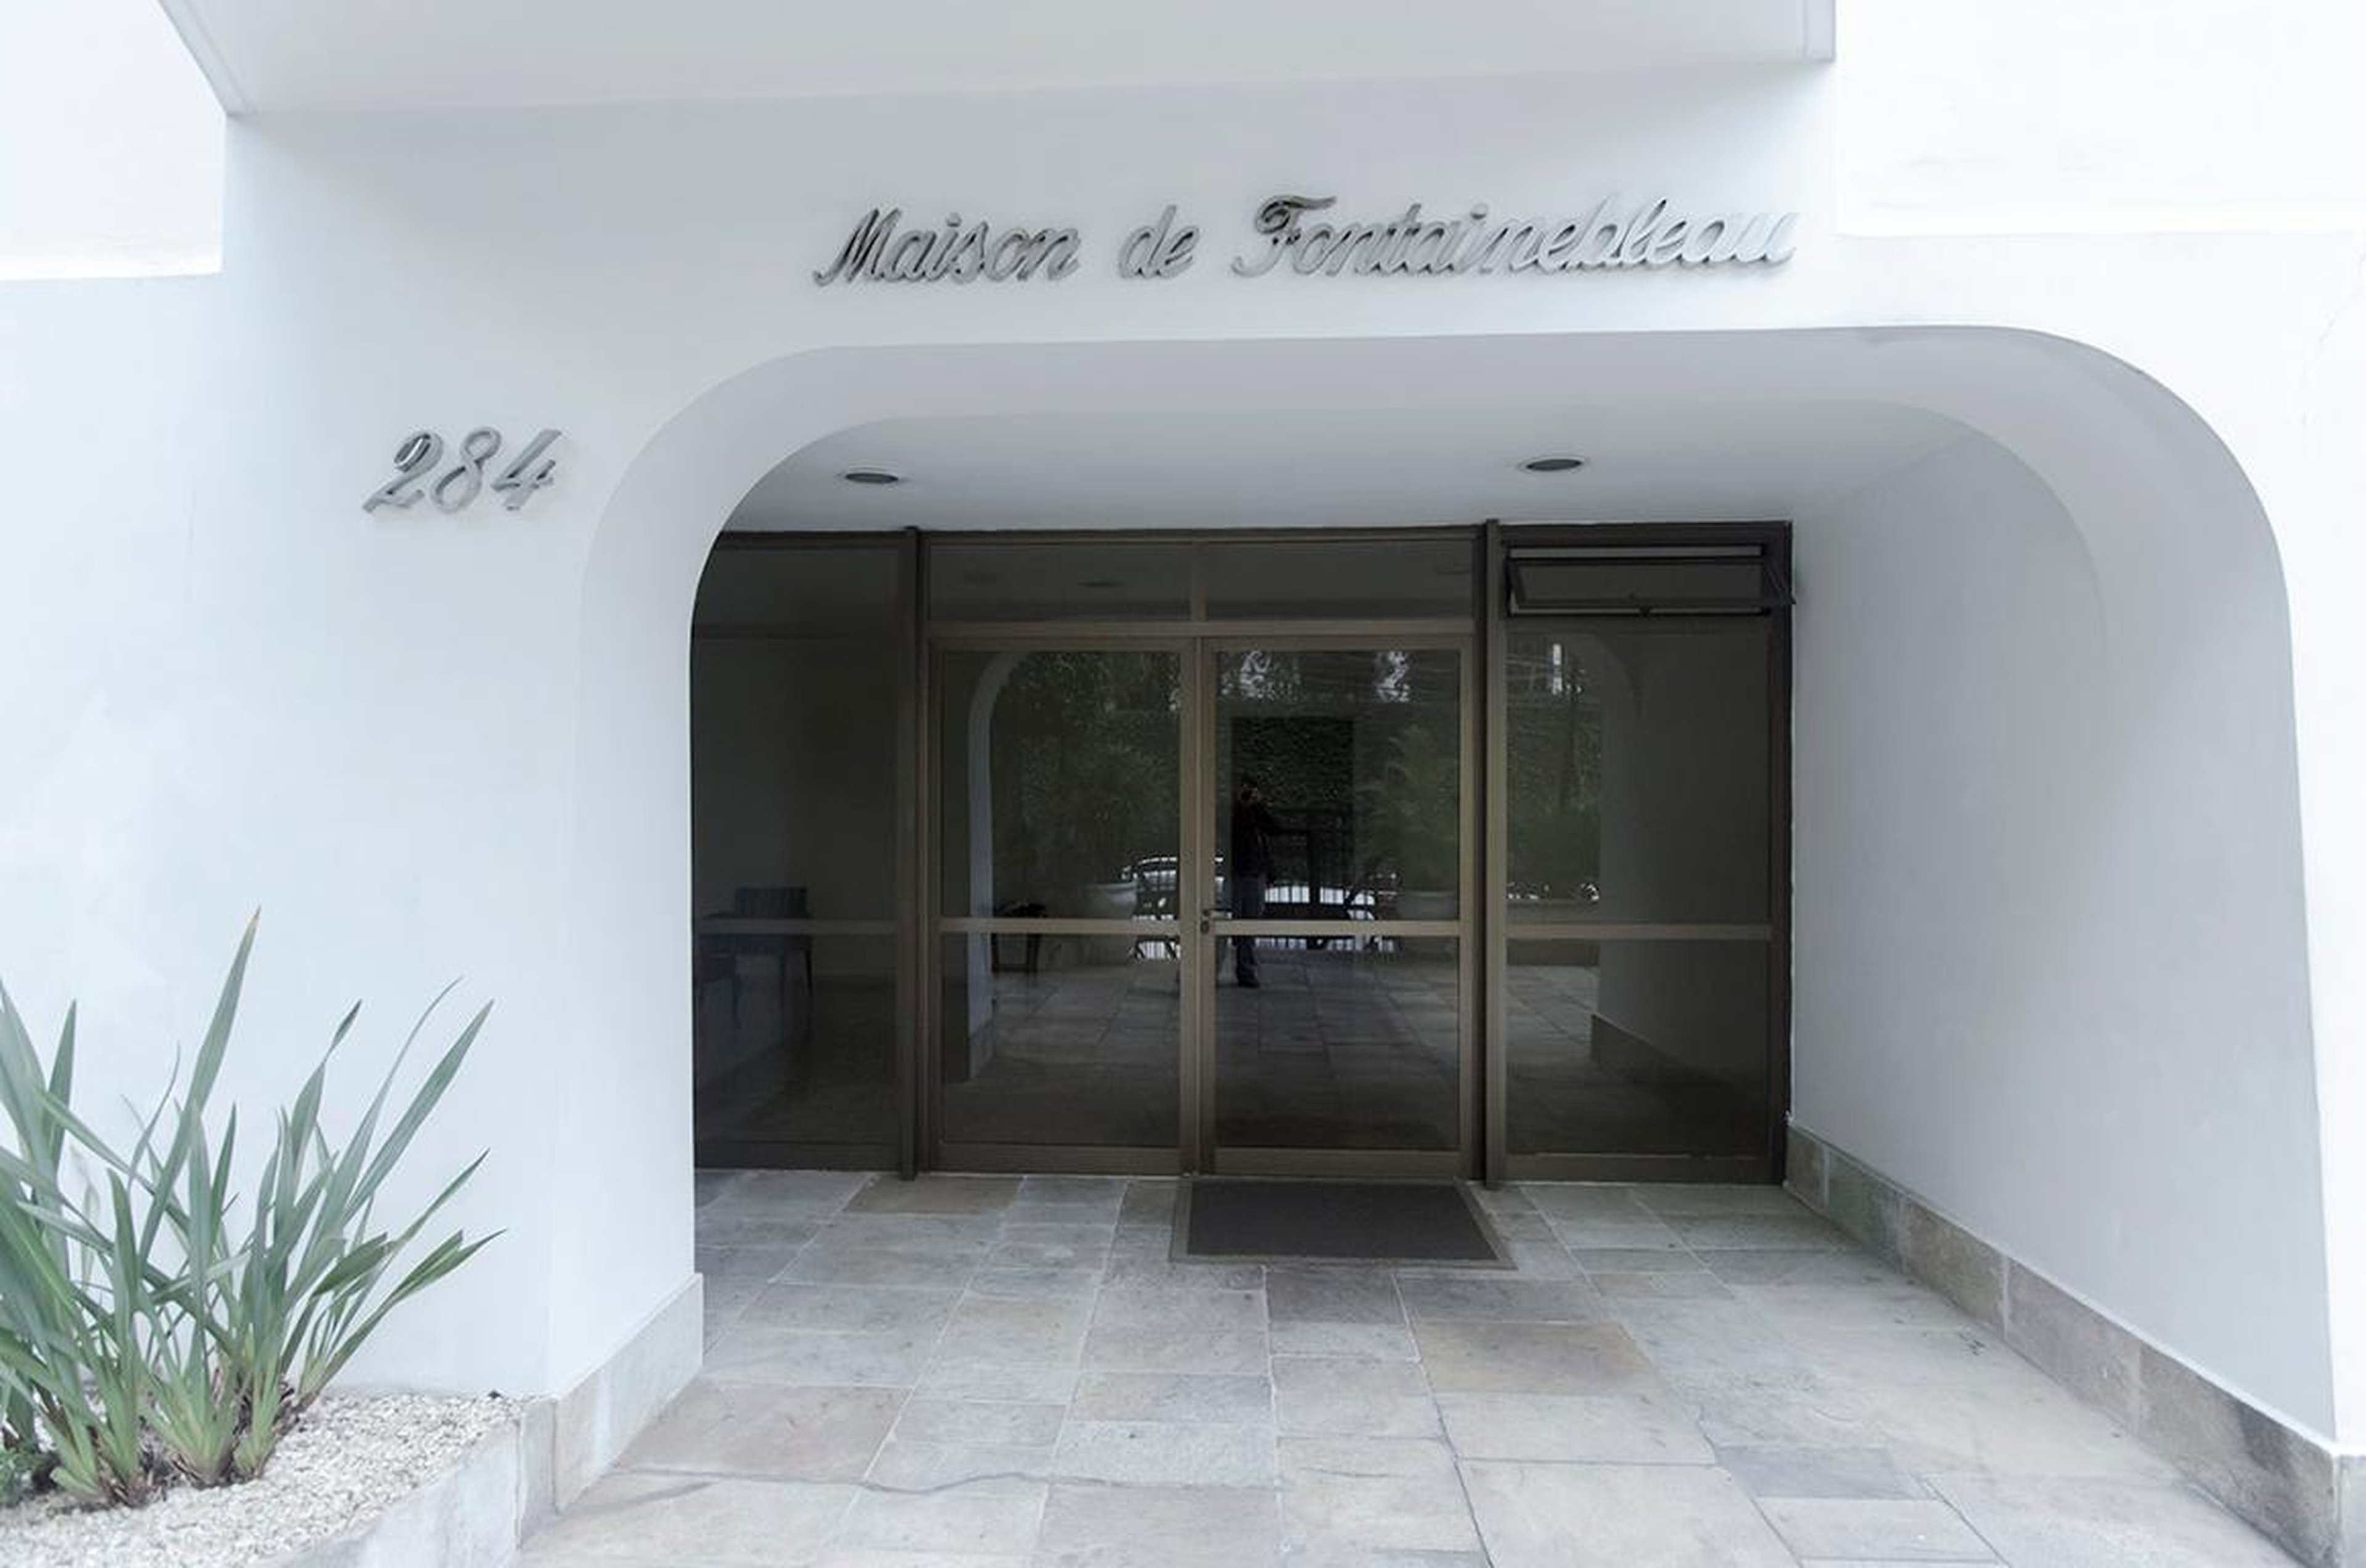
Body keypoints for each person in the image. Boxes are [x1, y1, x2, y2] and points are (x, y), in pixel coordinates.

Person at [1229, 773, 1280, 987]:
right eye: (1244, 790)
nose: (1247, 794)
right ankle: (1244, 968)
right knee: (1237, 923)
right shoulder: (1233, 812)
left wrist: (1258, 807)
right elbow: (1236, 830)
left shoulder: (1256, 812)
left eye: (1250, 790)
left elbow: (1276, 829)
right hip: (1238, 872)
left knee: (1250, 922)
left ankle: (1246, 968)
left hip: (1255, 872)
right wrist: (1242, 807)